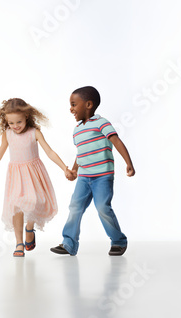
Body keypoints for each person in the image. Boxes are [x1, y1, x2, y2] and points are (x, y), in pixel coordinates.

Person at [0, 98, 73, 257]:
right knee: (16, 206)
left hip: (33, 174)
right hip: (16, 175)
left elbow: (49, 152)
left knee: (33, 202)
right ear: (6, 122)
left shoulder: (34, 133)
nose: (15, 126)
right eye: (11, 123)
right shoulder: (7, 134)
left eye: (19, 122)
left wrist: (64, 168)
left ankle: (30, 227)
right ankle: (19, 243)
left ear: (27, 117)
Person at [51, 86, 135, 256]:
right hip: (84, 177)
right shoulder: (77, 130)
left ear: (88, 104)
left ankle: (118, 241)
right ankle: (69, 244)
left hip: (102, 175)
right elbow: (81, 152)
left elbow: (116, 141)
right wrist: (74, 169)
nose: (71, 109)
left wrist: (128, 163)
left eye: (74, 104)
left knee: (103, 207)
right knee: (75, 207)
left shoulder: (101, 123)